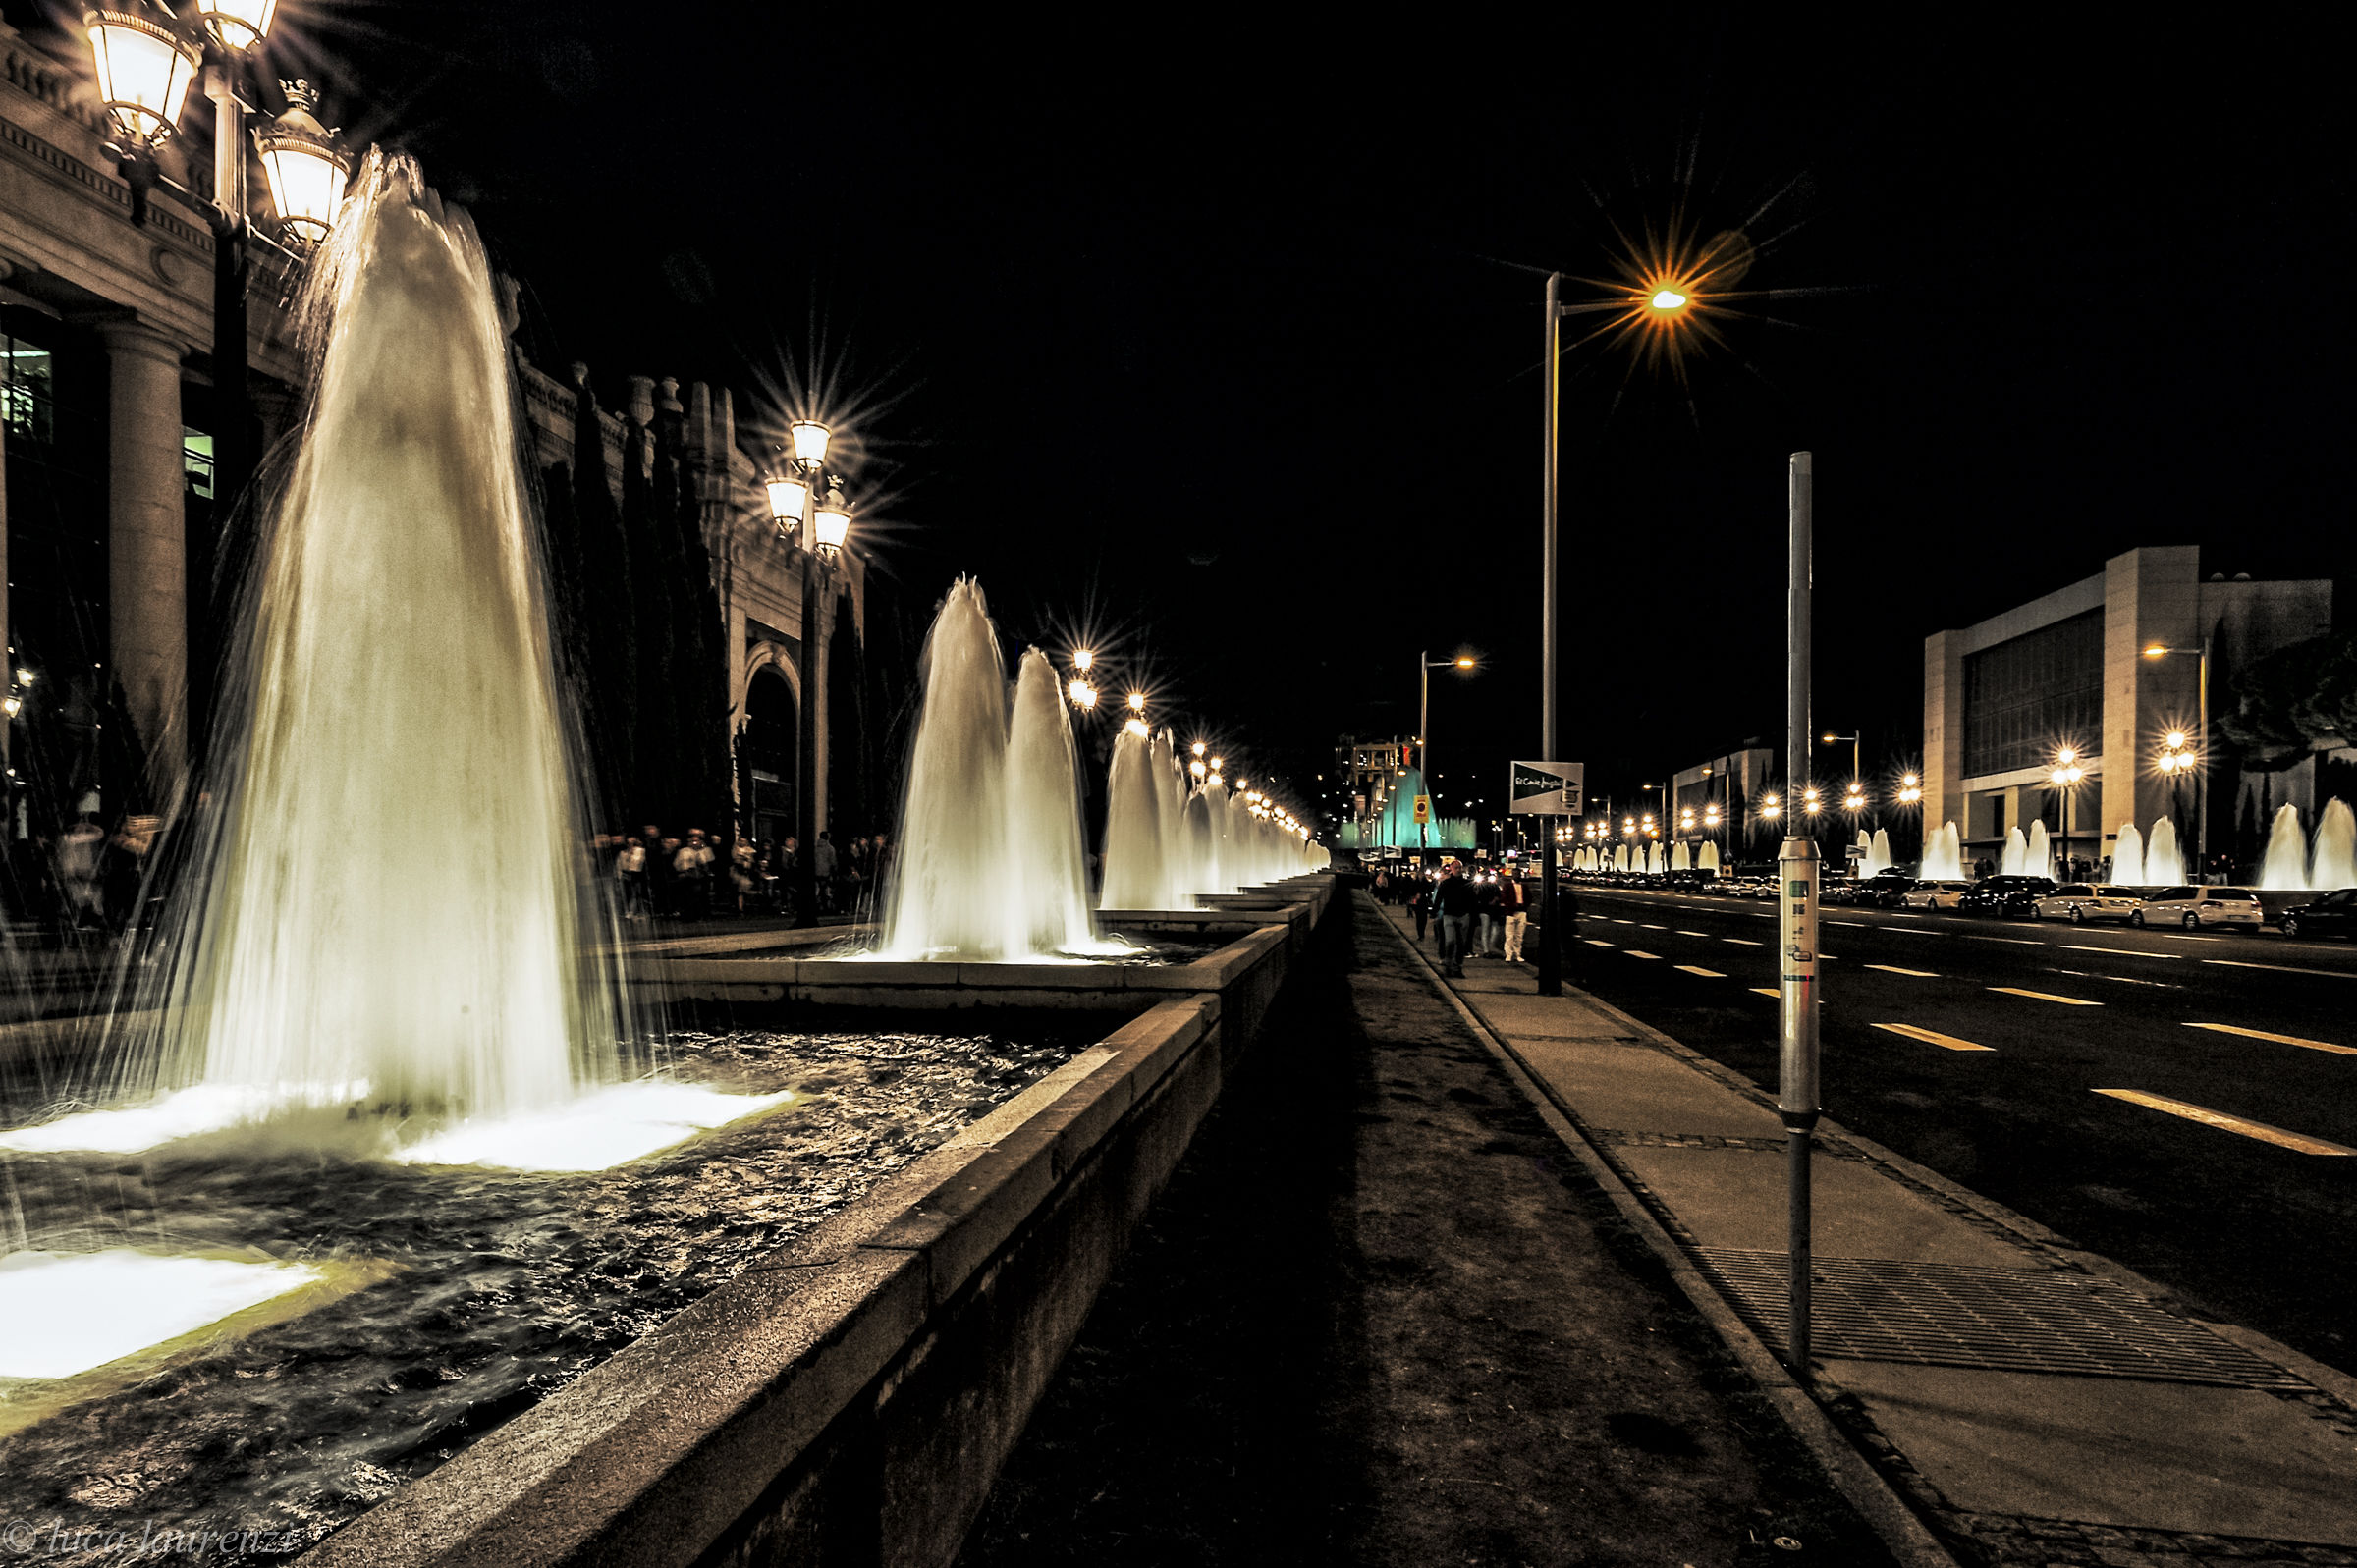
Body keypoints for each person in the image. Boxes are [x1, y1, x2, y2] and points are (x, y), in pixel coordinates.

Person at [1432, 861, 1478, 978]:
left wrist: (1473, 915)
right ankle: (1448, 966)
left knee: (1461, 944)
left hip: (1463, 915)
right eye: (1456, 867)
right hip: (1449, 915)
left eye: (1459, 867)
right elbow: (1438, 898)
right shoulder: (1445, 883)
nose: (1458, 870)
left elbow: (1473, 901)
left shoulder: (1467, 883)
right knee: (1450, 941)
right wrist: (1434, 912)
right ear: (1451, 869)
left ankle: (1458, 967)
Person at [617, 836, 649, 919]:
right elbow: (619, 864)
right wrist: (620, 876)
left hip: (636, 874)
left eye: (633, 843)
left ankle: (636, 911)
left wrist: (632, 854)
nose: (630, 845)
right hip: (625, 874)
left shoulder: (640, 851)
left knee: (636, 893)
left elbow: (638, 863)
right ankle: (627, 911)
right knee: (627, 893)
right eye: (629, 843)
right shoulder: (622, 853)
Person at [1500, 870, 1528, 963]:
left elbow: (1529, 898)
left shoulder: (1524, 886)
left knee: (1519, 935)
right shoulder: (1508, 886)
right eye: (1515, 874)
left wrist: (1524, 905)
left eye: (1518, 874)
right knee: (1509, 935)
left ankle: (1517, 954)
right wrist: (1512, 905)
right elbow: (1504, 898)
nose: (1517, 876)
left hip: (1521, 911)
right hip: (1511, 912)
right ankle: (1509, 954)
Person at [1474, 871, 1504, 958]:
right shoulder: (1480, 886)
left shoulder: (1493, 886)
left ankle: (1489, 948)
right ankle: (1487, 950)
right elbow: (1477, 897)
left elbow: (1499, 895)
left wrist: (1495, 900)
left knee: (1493, 930)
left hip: (1491, 910)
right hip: (1485, 910)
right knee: (1487, 930)